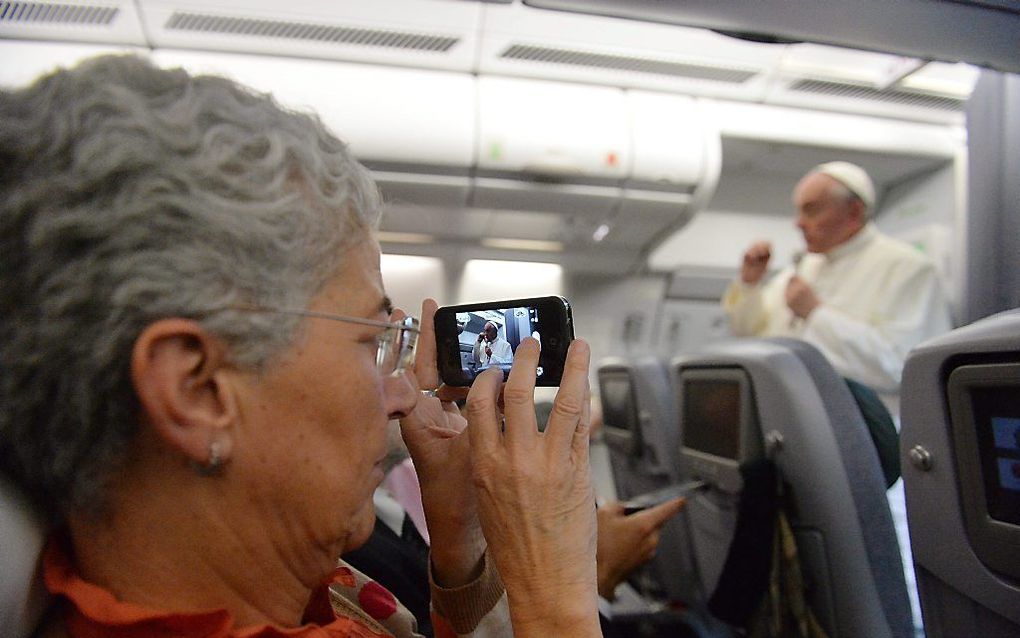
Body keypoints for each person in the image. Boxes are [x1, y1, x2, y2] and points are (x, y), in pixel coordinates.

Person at [0, 54, 603, 637]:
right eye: (369, 342)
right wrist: (556, 606)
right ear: (198, 390)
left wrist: (460, 537)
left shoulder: (309, 587)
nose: (402, 392)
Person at [722, 161, 953, 396]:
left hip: (864, 423)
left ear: (853, 212)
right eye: (799, 210)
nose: (798, 223)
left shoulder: (907, 268)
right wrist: (750, 284)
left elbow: (898, 366)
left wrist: (815, 313)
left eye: (811, 210)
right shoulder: (803, 268)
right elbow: (748, 334)